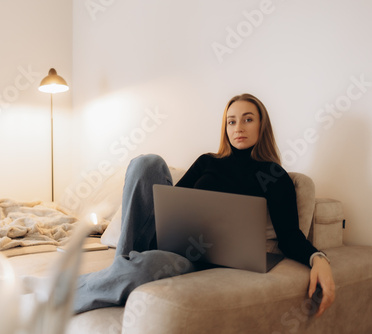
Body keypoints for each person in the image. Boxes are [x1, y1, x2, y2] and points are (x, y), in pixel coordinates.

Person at [74, 93, 335, 317]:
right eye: (231, 121)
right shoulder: (207, 162)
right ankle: (122, 261)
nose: (238, 127)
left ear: (261, 125)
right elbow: (170, 203)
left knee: (146, 266)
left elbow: (289, 235)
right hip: (164, 238)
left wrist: (318, 259)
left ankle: (64, 294)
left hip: (196, 258)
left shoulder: (275, 176)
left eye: (247, 119)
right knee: (148, 163)